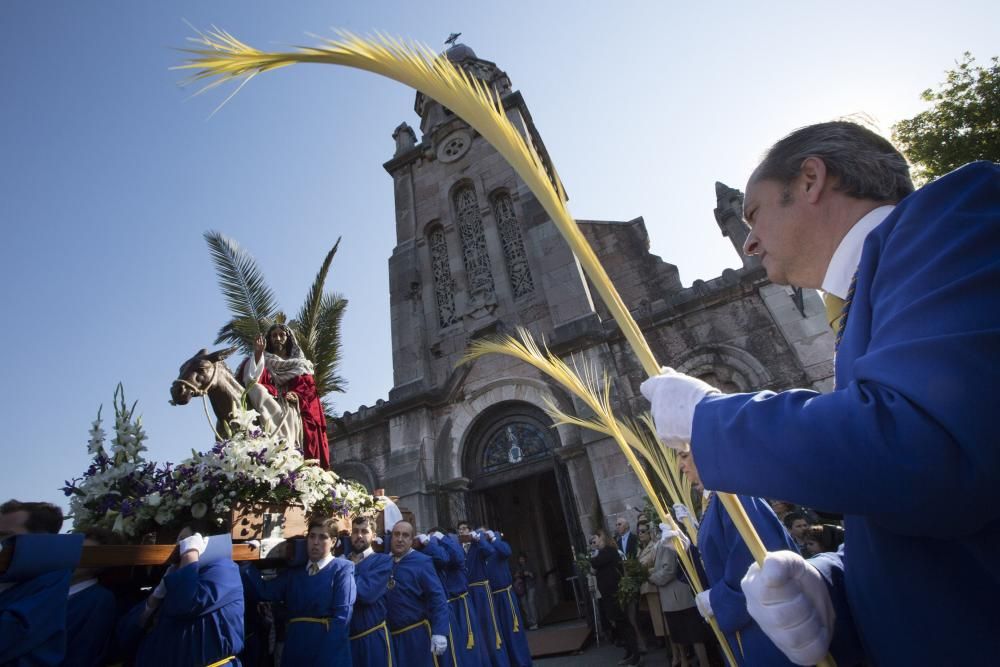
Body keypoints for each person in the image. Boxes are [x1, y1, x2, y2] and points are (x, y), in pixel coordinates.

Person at [641, 120, 1000, 665]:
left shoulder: (954, 217)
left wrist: (713, 419)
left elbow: (932, 448)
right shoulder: (857, 307)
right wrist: (830, 587)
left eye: (754, 213)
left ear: (810, 180)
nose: (750, 241)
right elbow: (911, 529)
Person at [673, 452, 799, 666]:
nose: (681, 466)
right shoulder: (717, 500)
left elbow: (760, 566)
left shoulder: (733, 496)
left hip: (762, 630)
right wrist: (685, 549)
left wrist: (717, 599)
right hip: (745, 630)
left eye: (684, 455)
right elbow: (716, 564)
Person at [122, 527, 244, 667]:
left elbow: (185, 604)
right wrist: (154, 600)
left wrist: (190, 555)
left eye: (185, 541)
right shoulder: (176, 575)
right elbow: (126, 633)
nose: (179, 546)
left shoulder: (223, 569)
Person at [242, 516, 355, 667]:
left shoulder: (342, 569)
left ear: (333, 542)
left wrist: (327, 658)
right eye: (312, 536)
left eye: (323, 537)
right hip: (296, 648)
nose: (315, 542)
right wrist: (245, 563)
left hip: (327, 649)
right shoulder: (294, 574)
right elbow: (264, 591)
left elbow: (343, 618)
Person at [0, 500, 83, 666]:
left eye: (7, 537)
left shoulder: (53, 576)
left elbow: (13, 632)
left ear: (40, 540)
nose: (2, 546)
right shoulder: (12, 573)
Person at [241, 323, 330, 468]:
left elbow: (309, 390)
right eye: (274, 335)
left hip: (292, 404)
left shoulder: (300, 364)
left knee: (288, 416)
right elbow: (252, 381)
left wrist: (297, 396)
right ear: (269, 339)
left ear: (288, 338)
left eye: (281, 335)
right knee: (257, 389)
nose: (278, 338)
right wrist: (258, 354)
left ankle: (286, 451)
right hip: (270, 399)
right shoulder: (265, 359)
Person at [418, 527, 489, 667]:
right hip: (447, 605)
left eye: (435, 537)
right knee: (457, 648)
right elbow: (439, 557)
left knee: (469, 646)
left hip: (460, 604)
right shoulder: (434, 551)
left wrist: (439, 539)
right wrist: (431, 543)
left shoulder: (450, 547)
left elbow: (454, 557)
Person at [385, 521, 450, 667]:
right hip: (390, 637)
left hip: (416, 635)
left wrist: (440, 631)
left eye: (405, 535)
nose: (400, 539)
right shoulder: (385, 562)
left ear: (412, 540)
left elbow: (437, 597)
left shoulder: (422, 562)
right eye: (396, 534)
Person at [646, 524, 711, 667]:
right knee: (679, 636)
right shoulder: (657, 546)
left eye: (651, 529)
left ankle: (704, 663)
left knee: (695, 636)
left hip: (678, 597)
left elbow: (669, 570)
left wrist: (652, 578)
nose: (650, 533)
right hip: (671, 599)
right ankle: (685, 662)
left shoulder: (665, 543)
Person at [62, 527, 120, 667]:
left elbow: (84, 653)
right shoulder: (49, 588)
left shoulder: (100, 600)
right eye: (74, 550)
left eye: (84, 555)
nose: (74, 558)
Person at [457, 520, 508, 667]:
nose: (462, 531)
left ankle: (500, 662)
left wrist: (478, 539)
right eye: (459, 529)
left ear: (470, 530)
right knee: (476, 628)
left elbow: (490, 551)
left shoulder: (477, 545)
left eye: (464, 528)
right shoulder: (459, 547)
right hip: (468, 592)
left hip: (481, 589)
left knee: (490, 626)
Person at [347, 515, 394, 667]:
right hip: (347, 642)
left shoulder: (383, 561)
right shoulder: (341, 561)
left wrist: (350, 568)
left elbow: (366, 593)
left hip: (373, 640)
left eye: (364, 531)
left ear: (373, 535)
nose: (359, 535)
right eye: (355, 531)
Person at [589, 529, 640, 666]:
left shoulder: (609, 551)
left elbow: (594, 563)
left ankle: (636, 654)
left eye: (595, 538)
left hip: (615, 594)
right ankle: (629, 651)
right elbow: (592, 570)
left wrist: (594, 552)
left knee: (624, 623)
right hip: (608, 595)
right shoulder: (603, 553)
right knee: (619, 624)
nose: (594, 542)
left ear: (602, 538)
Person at [483, 528, 532, 667]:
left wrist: (494, 538)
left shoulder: (498, 546)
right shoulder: (481, 551)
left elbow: (507, 551)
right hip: (491, 598)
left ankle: (522, 663)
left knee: (513, 632)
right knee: (499, 635)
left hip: (505, 596)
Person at [512, 553, 538, 631]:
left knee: (530, 603)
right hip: (522, 588)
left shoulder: (530, 565)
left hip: (530, 586)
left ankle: (534, 622)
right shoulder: (517, 567)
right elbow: (514, 576)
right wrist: (517, 575)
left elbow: (535, 575)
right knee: (524, 605)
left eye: (522, 559)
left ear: (525, 559)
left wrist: (529, 573)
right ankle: (530, 622)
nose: (521, 560)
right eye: (520, 559)